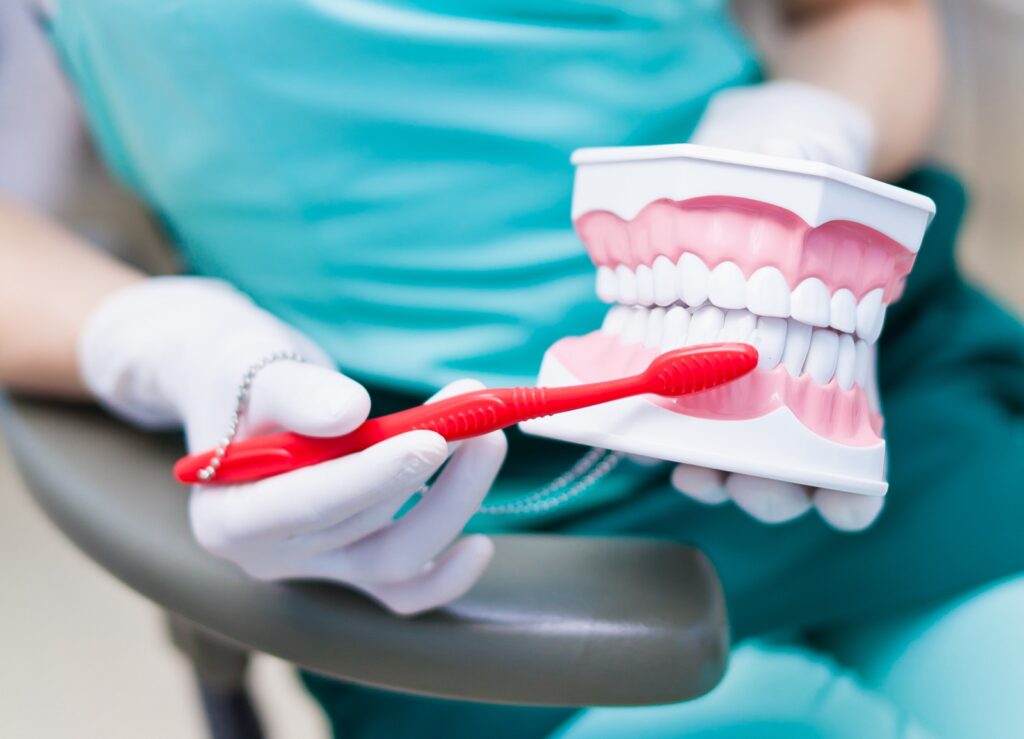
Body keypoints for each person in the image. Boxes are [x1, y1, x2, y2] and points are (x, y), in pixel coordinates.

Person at [1, 0, 1022, 736]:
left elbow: (856, 12)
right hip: (423, 520)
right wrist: (158, 340)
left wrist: (810, 126)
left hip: (850, 385)